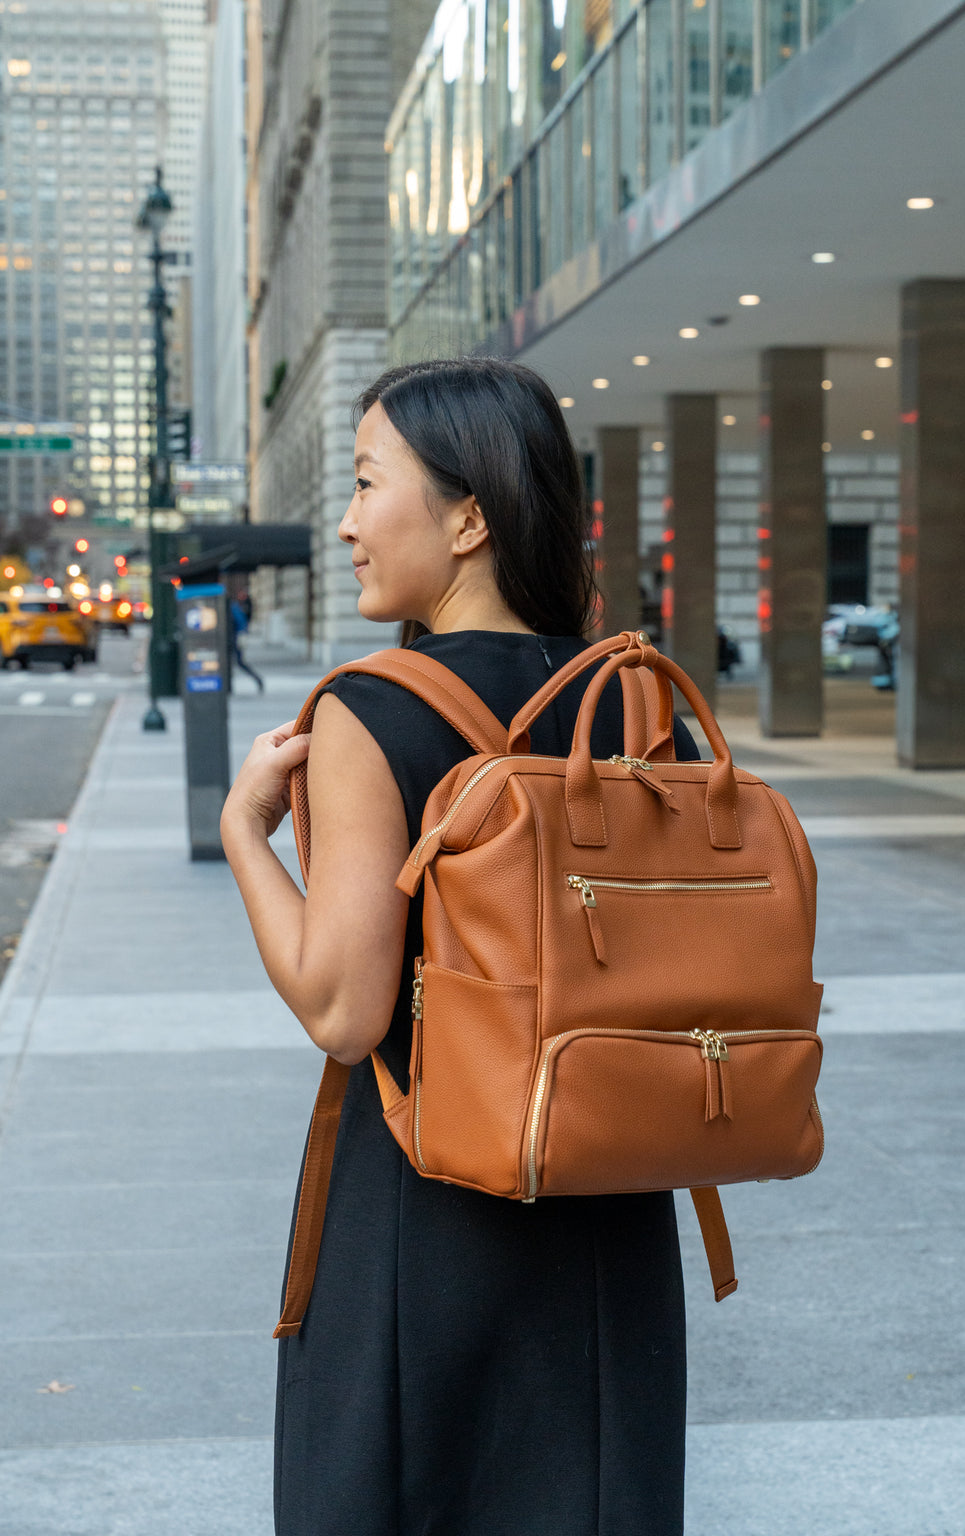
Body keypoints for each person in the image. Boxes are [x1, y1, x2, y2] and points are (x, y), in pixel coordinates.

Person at [220, 358, 699, 1536]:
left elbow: (341, 1010)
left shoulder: (372, 709)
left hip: (425, 1209)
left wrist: (243, 833)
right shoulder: (643, 706)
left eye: (368, 482)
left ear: (469, 515)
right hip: (610, 1201)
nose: (344, 522)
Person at [229, 591, 265, 692]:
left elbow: (242, 624)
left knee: (238, 662)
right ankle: (257, 680)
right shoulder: (236, 607)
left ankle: (258, 680)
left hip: (234, 639)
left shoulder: (234, 608)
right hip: (234, 639)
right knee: (235, 663)